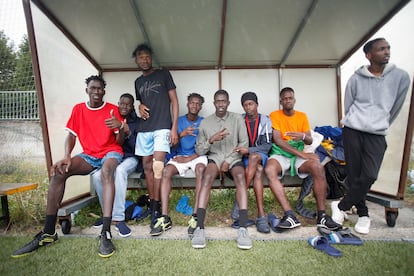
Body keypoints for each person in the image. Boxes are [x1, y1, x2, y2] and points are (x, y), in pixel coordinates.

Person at [12, 75, 125, 258]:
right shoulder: (79, 109)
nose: (96, 91)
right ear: (86, 90)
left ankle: (106, 232)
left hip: (110, 152)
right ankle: (48, 232)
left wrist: (119, 127)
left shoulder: (112, 109)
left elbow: (119, 140)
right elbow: (71, 136)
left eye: (100, 89)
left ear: (104, 92)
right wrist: (67, 156)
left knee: (106, 172)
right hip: (89, 154)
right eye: (93, 88)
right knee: (59, 172)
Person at [331, 38, 410, 234]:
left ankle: (341, 206)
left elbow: (396, 107)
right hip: (353, 130)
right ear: (369, 55)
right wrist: (356, 122)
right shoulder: (356, 78)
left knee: (369, 175)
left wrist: (380, 123)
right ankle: (364, 214)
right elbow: (348, 106)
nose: (386, 52)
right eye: (381, 49)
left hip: (376, 133)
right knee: (355, 174)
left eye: (388, 48)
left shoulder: (401, 77)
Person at [265, 87, 341, 232]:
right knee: (269, 169)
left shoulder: (302, 116)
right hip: (282, 152)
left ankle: (322, 216)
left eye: (290, 98)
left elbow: (309, 140)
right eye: (285, 98)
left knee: (318, 167)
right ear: (281, 101)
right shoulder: (274, 115)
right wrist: (303, 155)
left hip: (298, 152)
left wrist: (304, 137)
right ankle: (289, 216)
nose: (288, 100)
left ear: (294, 100)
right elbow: (278, 141)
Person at [192, 89, 252, 250]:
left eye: (223, 101)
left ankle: (243, 229)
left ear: (228, 103)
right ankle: (199, 227)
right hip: (215, 157)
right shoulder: (206, 122)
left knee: (241, 178)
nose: (220, 104)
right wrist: (211, 140)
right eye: (218, 101)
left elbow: (244, 144)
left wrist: (229, 161)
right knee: (207, 178)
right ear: (214, 103)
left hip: (234, 157)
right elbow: (199, 150)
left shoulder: (237, 119)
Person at [132, 43, 179, 228]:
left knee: (158, 166)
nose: (144, 60)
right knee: (147, 167)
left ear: (151, 57)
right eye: (140, 57)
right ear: (136, 60)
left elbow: (174, 101)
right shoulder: (138, 82)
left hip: (162, 127)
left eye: (147, 56)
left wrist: (173, 128)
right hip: (144, 129)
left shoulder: (163, 74)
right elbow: (142, 104)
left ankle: (159, 208)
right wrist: (139, 106)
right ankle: (152, 206)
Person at [150, 93, 207, 237]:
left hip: (197, 156)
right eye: (192, 103)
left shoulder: (204, 122)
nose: (194, 105)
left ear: (201, 106)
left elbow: (206, 147)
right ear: (187, 104)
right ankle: (164, 217)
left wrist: (190, 159)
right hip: (180, 156)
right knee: (165, 172)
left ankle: (195, 215)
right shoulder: (178, 121)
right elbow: (171, 143)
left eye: (198, 103)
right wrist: (182, 134)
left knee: (201, 170)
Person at [92, 93, 140, 237]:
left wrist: (127, 131)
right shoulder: (111, 118)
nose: (124, 106)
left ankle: (118, 218)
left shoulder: (137, 122)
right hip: (112, 157)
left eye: (128, 104)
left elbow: (137, 147)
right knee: (96, 176)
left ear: (132, 107)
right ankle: (107, 214)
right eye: (121, 103)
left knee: (120, 171)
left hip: (130, 158)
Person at [233, 92, 272, 233]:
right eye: (245, 105)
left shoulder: (265, 121)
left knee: (254, 158)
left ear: (257, 104)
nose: (248, 107)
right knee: (258, 171)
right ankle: (261, 216)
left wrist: (248, 150)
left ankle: (239, 203)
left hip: (260, 155)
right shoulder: (239, 120)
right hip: (243, 159)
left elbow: (266, 146)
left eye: (250, 104)